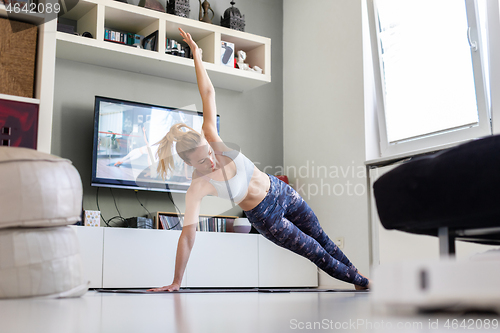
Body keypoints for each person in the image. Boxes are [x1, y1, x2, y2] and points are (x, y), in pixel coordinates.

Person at [148, 28, 372, 292]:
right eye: (201, 161)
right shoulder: (198, 187)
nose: (211, 160)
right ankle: (364, 283)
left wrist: (197, 55)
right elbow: (187, 236)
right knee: (314, 251)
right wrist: (176, 281)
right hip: (266, 218)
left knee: (322, 238)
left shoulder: (211, 135)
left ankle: (356, 277)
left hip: (281, 191)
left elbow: (208, 93)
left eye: (208, 152)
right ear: (189, 165)